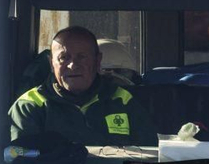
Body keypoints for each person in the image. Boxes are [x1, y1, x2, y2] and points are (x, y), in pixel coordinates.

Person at [8, 25, 155, 150]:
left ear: (98, 61)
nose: (73, 65)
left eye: (82, 57)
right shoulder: (29, 106)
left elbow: (150, 158)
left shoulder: (123, 101)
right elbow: (17, 158)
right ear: (52, 64)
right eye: (64, 58)